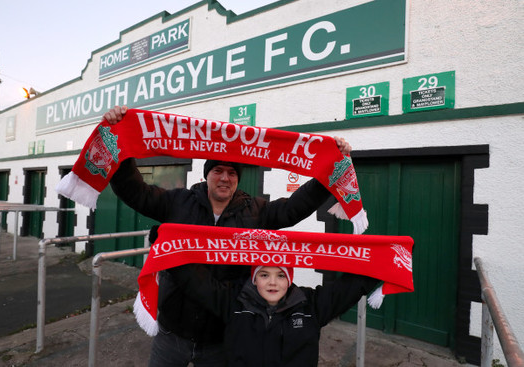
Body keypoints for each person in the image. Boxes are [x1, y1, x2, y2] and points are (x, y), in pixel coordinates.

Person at [103, 106, 353, 367]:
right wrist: (120, 136)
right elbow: (134, 191)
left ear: (238, 178)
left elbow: (293, 208)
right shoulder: (177, 202)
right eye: (218, 171)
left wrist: (327, 172)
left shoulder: (256, 211)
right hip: (172, 332)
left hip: (222, 336)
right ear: (206, 174)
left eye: (232, 173)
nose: (224, 178)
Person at [167, 264, 379, 367]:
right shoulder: (233, 302)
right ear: (254, 278)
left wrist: (387, 260)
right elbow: (197, 283)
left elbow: (350, 288)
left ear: (289, 279)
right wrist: (169, 249)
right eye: (264, 274)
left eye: (280, 275)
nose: (272, 282)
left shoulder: (310, 305)